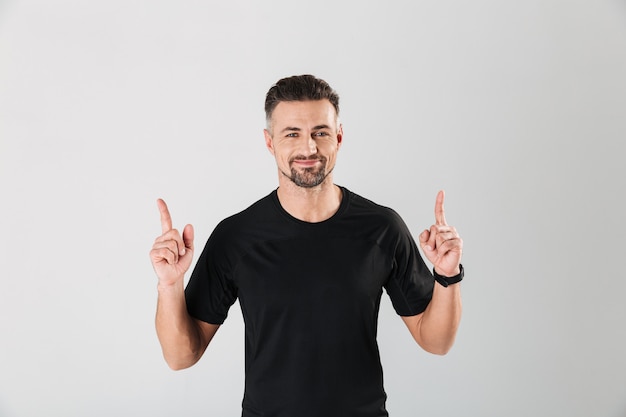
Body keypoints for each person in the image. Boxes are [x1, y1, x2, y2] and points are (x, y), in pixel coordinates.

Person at [150, 74, 464, 417]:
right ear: (270, 143)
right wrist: (169, 285)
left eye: (320, 132)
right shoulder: (236, 237)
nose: (308, 148)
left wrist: (446, 276)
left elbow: (436, 341)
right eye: (292, 134)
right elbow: (182, 356)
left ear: (339, 137)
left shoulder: (381, 228)